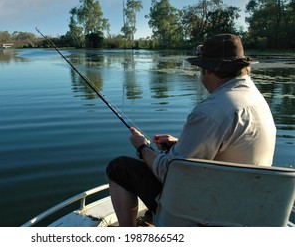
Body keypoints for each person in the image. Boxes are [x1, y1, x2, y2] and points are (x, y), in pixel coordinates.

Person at [106, 33, 277, 226]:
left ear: (207, 70)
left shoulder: (212, 110)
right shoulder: (256, 99)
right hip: (244, 208)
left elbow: (169, 171)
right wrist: (178, 144)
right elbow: (230, 150)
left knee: (119, 167)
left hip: (206, 212)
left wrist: (142, 148)